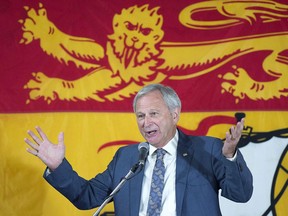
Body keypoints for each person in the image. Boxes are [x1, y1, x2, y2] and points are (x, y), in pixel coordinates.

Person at [25, 83, 253, 216]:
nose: (146, 122)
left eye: (154, 114)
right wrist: (57, 166)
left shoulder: (208, 148)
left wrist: (229, 156)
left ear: (174, 115)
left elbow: (241, 195)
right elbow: (88, 197)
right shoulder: (127, 157)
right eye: (141, 116)